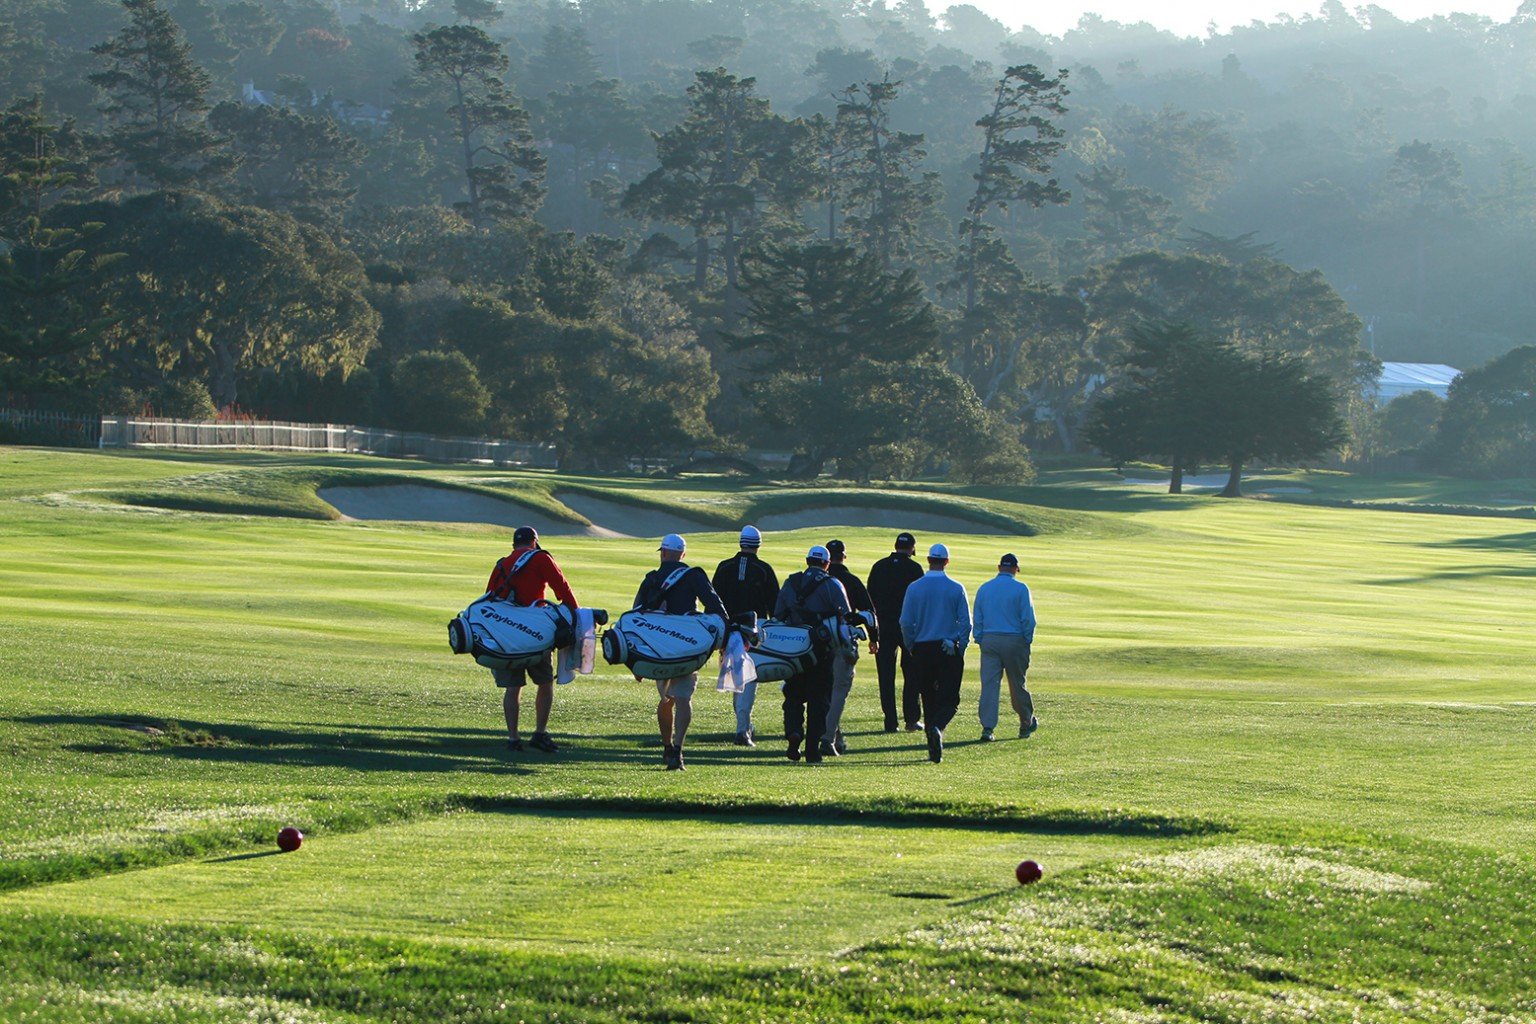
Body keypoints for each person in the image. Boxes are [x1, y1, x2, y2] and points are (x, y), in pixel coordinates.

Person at [632, 533, 728, 771]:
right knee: (683, 698)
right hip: (687, 647)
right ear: (682, 555)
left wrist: (635, 662)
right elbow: (715, 606)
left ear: (663, 553)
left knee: (666, 699)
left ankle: (666, 748)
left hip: (658, 650)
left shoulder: (651, 578)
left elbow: (635, 617)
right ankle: (677, 750)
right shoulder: (694, 575)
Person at [484, 525, 578, 753]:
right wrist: (575, 614)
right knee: (544, 683)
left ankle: (513, 738)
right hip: (535, 633)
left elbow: (489, 597)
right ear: (534, 542)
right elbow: (561, 587)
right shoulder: (540, 558)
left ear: (514, 544)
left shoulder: (502, 564)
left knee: (513, 687)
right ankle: (539, 733)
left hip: (507, 636)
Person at [774, 544, 852, 764]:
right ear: (826, 564)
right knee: (820, 700)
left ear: (807, 560)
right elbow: (845, 617)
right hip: (822, 651)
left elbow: (779, 614)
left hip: (795, 650)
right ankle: (812, 749)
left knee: (793, 695)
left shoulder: (791, 582)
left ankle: (793, 732)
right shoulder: (832, 584)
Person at [898, 542, 972, 764]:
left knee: (928, 697)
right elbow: (965, 624)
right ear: (946, 562)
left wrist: (911, 645)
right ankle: (936, 730)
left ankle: (933, 743)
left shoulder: (914, 587)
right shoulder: (955, 587)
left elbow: (905, 622)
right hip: (947, 647)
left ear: (928, 560)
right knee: (950, 699)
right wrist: (960, 647)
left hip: (922, 647)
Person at [711, 525, 779, 747]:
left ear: (740, 542)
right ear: (758, 545)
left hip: (727, 631)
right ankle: (742, 730)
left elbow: (713, 602)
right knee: (748, 679)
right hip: (752, 631)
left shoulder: (724, 567)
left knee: (737, 679)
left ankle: (744, 726)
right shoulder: (764, 569)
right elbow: (775, 607)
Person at [820, 538, 877, 756]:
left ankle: (835, 735)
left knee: (824, 690)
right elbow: (870, 613)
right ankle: (827, 737)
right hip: (844, 642)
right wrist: (874, 638)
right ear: (843, 556)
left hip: (818, 642)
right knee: (838, 691)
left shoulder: (817, 580)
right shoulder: (851, 580)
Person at [973, 553, 1038, 741]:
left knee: (989, 685)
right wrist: (1026, 640)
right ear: (1015, 569)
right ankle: (1026, 721)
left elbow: (978, 617)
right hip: (1014, 640)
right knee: (1017, 684)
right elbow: (1028, 619)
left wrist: (980, 639)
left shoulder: (985, 588)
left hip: (990, 640)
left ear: (999, 567)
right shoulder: (1020, 588)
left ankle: (988, 728)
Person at [866, 531, 924, 733]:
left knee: (886, 674)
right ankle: (911, 719)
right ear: (912, 549)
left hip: (883, 627)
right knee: (912, 673)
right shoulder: (915, 568)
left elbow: (869, 599)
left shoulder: (879, 566)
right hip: (907, 627)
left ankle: (890, 721)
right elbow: (920, 601)